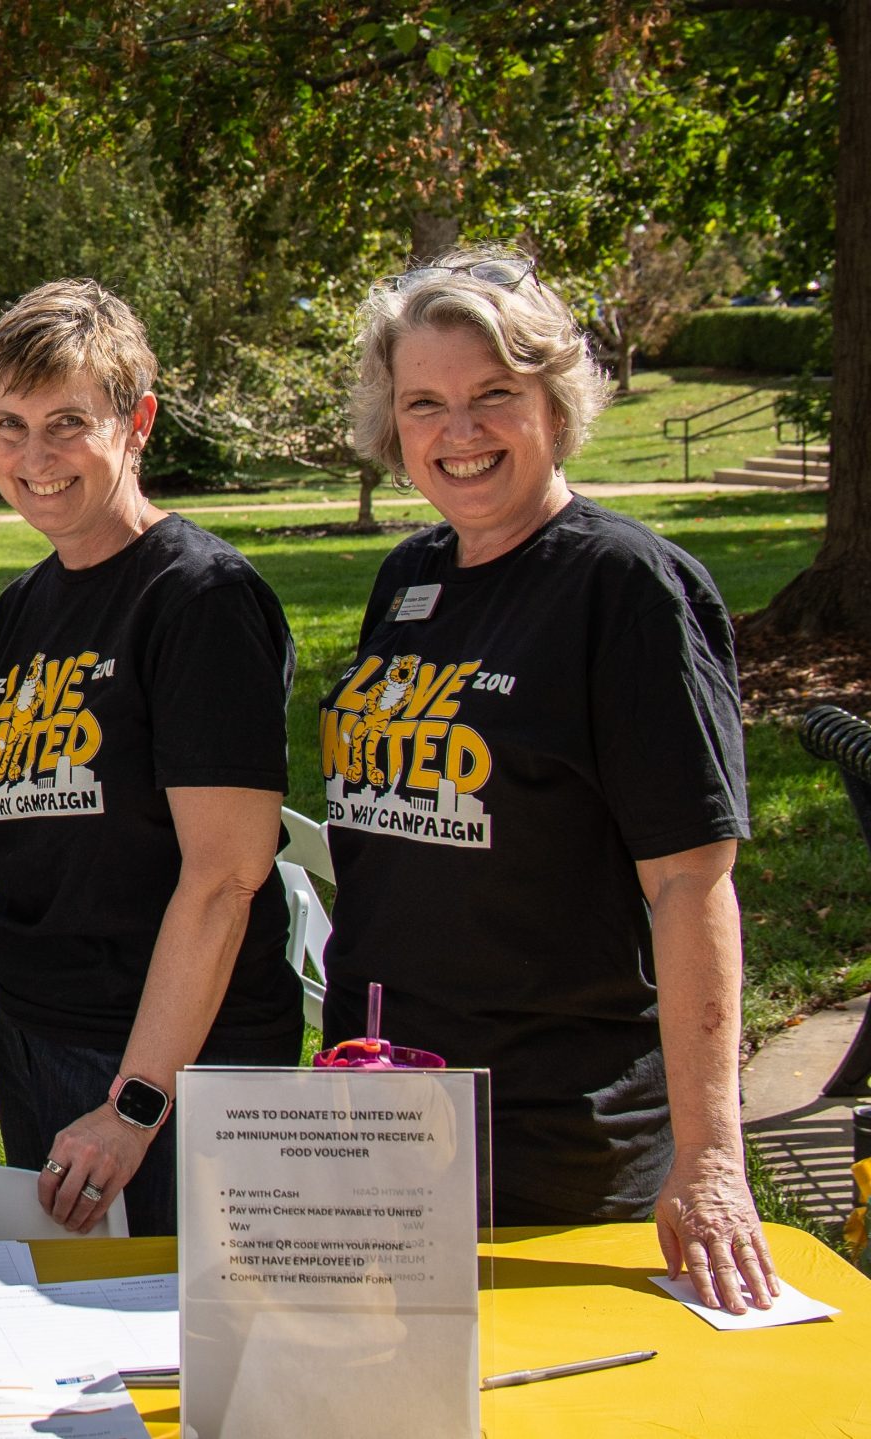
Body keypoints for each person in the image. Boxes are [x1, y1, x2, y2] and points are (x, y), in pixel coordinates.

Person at [321, 246, 776, 1311]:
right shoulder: (411, 576)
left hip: (552, 1141)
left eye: (494, 396)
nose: (458, 431)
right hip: (385, 1117)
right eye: (424, 401)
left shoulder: (625, 587)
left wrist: (710, 1160)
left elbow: (689, 883)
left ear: (556, 404)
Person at [0, 280, 299, 1239]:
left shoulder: (201, 601)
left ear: (137, 420)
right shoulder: (24, 605)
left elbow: (227, 877)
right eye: (10, 424)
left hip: (172, 1070)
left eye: (68, 421)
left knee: (173, 1359)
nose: (35, 457)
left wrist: (136, 1104)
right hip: (36, 1035)